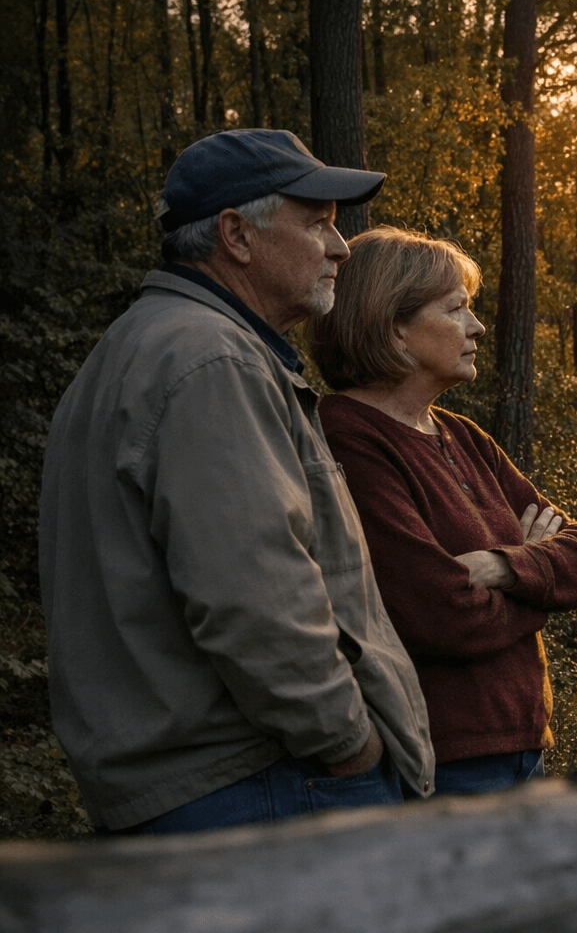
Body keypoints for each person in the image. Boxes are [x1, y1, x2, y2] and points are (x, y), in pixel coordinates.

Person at [38, 130, 434, 834]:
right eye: (316, 223)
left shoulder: (147, 345)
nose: (341, 246)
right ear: (236, 236)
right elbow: (256, 597)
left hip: (203, 785)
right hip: (259, 784)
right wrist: (349, 745)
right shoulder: (212, 361)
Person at [311, 227, 577, 793]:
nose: (478, 327)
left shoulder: (463, 435)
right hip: (440, 759)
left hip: (521, 743)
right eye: (457, 310)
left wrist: (500, 567)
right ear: (395, 325)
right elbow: (442, 615)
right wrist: (539, 578)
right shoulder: (349, 438)